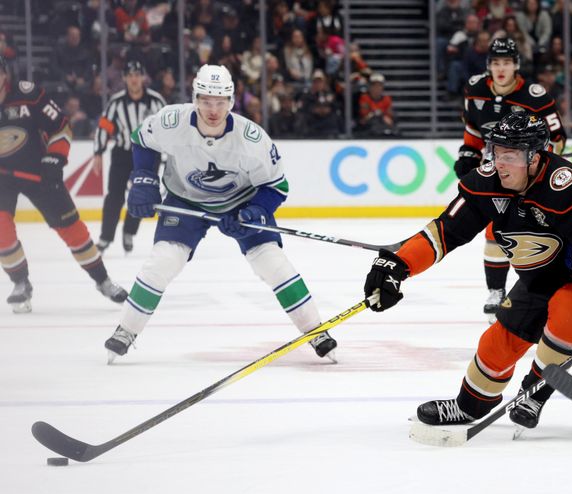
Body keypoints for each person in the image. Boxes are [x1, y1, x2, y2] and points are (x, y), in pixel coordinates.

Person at [364, 113, 572, 430]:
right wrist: (399, 264)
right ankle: (469, 406)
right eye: (495, 152)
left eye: (510, 155)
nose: (499, 162)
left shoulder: (562, 184)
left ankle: (534, 393)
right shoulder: (485, 183)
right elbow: (444, 232)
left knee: (568, 312)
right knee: (495, 344)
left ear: (534, 157)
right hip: (537, 281)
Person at [102, 64, 337, 364]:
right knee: (162, 262)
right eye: (206, 100)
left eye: (220, 101)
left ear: (231, 101)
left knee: (272, 263)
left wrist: (256, 210)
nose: (213, 109)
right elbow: (141, 139)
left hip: (240, 202)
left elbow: (277, 185)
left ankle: (315, 330)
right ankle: (126, 330)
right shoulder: (172, 121)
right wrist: (144, 178)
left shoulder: (251, 139)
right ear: (195, 98)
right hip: (185, 200)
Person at [0, 56, 128, 313]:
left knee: (73, 230)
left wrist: (54, 159)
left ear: (5, 75)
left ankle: (102, 280)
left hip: (40, 173)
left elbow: (61, 126)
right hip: (3, 179)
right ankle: (20, 282)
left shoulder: (29, 94)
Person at [456, 37, 568, 321]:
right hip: (498, 172)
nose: (501, 68)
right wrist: (468, 153)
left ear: (516, 65)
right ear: (488, 66)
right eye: (496, 63)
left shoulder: (535, 95)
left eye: (507, 62)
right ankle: (496, 292)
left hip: (531, 175)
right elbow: (473, 129)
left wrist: (536, 165)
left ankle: (546, 290)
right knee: (495, 228)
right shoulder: (475, 89)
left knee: (540, 231)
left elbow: (557, 137)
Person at [93, 60, 166, 254]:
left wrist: (168, 157)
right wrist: (98, 152)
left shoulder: (156, 101)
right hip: (123, 154)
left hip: (149, 154)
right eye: (130, 75)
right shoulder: (116, 102)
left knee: (141, 193)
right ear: (124, 78)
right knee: (114, 197)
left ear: (143, 77)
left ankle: (129, 232)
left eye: (137, 75)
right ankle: (105, 237)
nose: (134, 79)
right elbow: (104, 126)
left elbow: (168, 129)